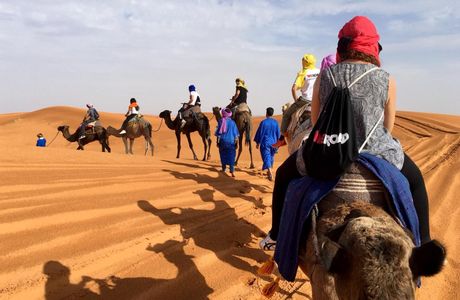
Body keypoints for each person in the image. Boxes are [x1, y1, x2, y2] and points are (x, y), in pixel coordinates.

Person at [260, 15, 437, 251]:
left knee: (283, 175)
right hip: (376, 154)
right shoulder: (387, 79)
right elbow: (388, 128)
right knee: (415, 181)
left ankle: (276, 235)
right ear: (374, 47)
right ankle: (424, 243)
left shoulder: (326, 75)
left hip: (328, 150)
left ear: (342, 45)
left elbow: (315, 120)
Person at [273, 54, 320, 148]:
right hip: (318, 99)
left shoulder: (303, 73)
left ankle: (282, 139)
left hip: (305, 100)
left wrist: (296, 100)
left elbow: (293, 89)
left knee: (286, 115)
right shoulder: (320, 71)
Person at [254, 107, 280, 181]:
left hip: (266, 142)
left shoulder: (263, 122)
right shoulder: (276, 123)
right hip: (274, 143)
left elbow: (259, 133)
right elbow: (278, 134)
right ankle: (270, 169)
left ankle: (270, 171)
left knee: (267, 156)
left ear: (266, 113)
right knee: (271, 156)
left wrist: (258, 142)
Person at [215, 108, 239, 177]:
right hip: (231, 142)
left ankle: (224, 168)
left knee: (223, 155)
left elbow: (218, 133)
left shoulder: (220, 121)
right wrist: (236, 143)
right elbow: (236, 134)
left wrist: (217, 142)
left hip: (222, 141)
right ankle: (232, 170)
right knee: (231, 156)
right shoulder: (233, 122)